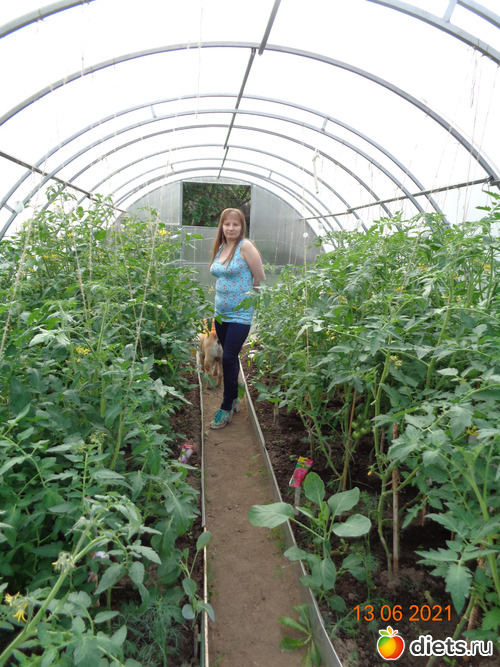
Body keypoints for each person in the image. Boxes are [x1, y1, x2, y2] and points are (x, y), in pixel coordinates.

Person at [208, 207, 266, 429]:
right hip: (221, 313)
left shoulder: (246, 246)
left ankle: (226, 408)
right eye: (227, 224)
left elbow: (260, 278)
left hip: (241, 314)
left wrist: (251, 302)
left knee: (229, 356)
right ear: (222, 227)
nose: (231, 228)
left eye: (235, 224)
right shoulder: (221, 247)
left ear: (242, 227)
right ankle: (233, 399)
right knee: (229, 358)